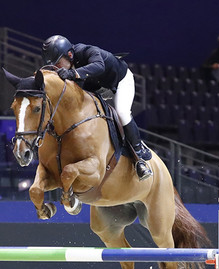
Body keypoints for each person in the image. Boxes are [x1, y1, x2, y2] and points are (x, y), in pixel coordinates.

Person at [42, 34, 152, 180]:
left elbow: (99, 66)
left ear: (69, 54)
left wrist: (73, 73)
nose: (57, 68)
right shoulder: (67, 66)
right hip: (98, 88)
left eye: (58, 63)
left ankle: (139, 157)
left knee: (122, 112)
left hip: (120, 81)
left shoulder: (87, 51)